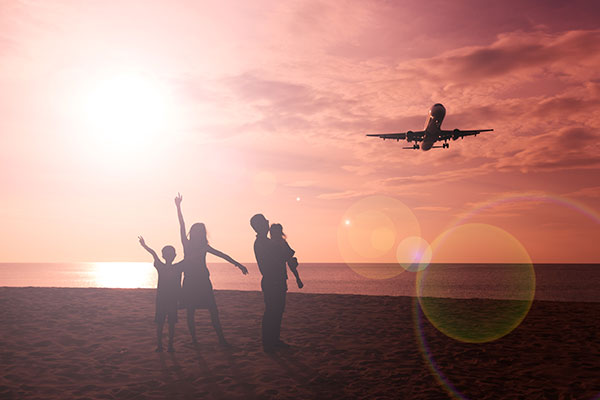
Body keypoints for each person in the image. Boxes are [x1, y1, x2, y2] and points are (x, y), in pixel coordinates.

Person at [175, 193, 248, 346]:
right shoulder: (186, 244)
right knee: (191, 311)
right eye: (195, 230)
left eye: (200, 231)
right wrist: (178, 207)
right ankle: (194, 340)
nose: (197, 233)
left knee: (213, 310)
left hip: (203, 281)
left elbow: (222, 255)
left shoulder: (204, 247)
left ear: (202, 234)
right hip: (190, 281)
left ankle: (221, 338)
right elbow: (181, 225)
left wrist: (238, 264)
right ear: (192, 232)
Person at [251, 214, 296, 353]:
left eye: (266, 222)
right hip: (272, 280)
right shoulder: (263, 243)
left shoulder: (268, 242)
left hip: (278, 279)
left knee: (277, 311)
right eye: (264, 222)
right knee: (272, 311)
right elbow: (280, 256)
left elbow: (284, 256)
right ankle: (268, 342)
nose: (267, 224)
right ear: (258, 227)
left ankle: (274, 340)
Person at [138, 236, 183, 353]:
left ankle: (167, 346)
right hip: (164, 299)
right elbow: (153, 253)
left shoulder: (177, 267)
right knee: (163, 323)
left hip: (169, 299)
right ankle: (164, 346)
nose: (169, 256)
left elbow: (153, 253)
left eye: (170, 254)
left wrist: (145, 245)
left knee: (167, 323)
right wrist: (144, 246)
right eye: (168, 254)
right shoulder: (166, 267)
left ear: (174, 256)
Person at [269, 223, 303, 289]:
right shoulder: (274, 243)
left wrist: (298, 278)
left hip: (280, 274)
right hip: (276, 274)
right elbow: (290, 261)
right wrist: (298, 278)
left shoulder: (281, 243)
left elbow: (290, 260)